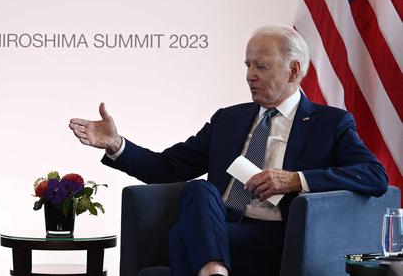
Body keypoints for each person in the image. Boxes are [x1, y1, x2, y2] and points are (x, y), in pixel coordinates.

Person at [68, 25, 388, 276]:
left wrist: (295, 180)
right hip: (223, 226)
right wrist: (116, 145)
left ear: (293, 70)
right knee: (199, 189)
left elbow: (375, 176)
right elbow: (166, 167)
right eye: (248, 65)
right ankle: (214, 270)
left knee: (182, 236)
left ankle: (212, 267)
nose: (249, 75)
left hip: (280, 237)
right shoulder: (228, 119)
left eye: (261, 66)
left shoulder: (329, 123)